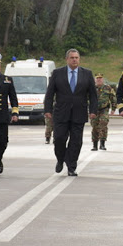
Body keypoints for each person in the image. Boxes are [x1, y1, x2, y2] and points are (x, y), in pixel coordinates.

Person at [44, 49, 97, 177]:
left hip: (79, 112)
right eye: (72, 57)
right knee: (59, 139)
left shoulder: (87, 74)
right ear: (67, 59)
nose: (74, 60)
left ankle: (71, 166)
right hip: (61, 113)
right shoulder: (57, 73)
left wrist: (93, 110)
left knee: (76, 141)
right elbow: (50, 93)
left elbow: (93, 95)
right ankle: (61, 159)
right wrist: (47, 110)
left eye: (77, 57)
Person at [91, 73, 116, 151]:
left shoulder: (107, 88)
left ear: (103, 79)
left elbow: (113, 98)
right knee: (95, 126)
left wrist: (113, 108)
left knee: (103, 124)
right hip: (94, 110)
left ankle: (102, 144)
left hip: (104, 109)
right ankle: (95, 145)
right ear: (95, 80)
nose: (99, 80)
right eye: (97, 78)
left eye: (100, 78)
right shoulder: (91, 88)